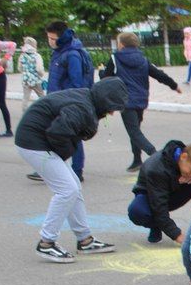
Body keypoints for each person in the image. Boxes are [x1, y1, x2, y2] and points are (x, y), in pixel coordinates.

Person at [13, 77, 127, 263]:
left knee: (74, 186)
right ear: (105, 100)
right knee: (67, 189)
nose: (112, 113)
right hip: (33, 142)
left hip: (40, 140)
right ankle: (46, 243)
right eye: (113, 107)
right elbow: (57, 133)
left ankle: (85, 240)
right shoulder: (82, 108)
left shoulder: (87, 99)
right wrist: (65, 153)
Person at [101, 32, 182, 172]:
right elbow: (158, 74)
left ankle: (157, 156)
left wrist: (101, 72)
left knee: (134, 132)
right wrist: (174, 85)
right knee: (136, 131)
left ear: (121, 44)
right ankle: (137, 160)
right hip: (141, 100)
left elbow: (106, 78)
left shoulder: (115, 58)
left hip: (125, 100)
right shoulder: (143, 59)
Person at [34, 21, 94, 182]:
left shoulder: (72, 54)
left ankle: (75, 171)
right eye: (48, 37)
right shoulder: (61, 52)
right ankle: (54, 169)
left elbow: (77, 83)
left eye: (52, 38)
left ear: (61, 38)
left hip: (67, 103)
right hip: (56, 100)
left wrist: (68, 102)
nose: (49, 41)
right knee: (57, 134)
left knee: (71, 137)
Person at [128, 140, 191, 244]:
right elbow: (159, 206)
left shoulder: (190, 163)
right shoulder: (156, 168)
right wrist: (178, 236)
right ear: (183, 157)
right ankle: (155, 225)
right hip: (150, 195)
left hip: (173, 192)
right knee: (137, 212)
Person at [19, 38, 47, 114]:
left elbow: (20, 68)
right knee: (42, 97)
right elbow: (39, 69)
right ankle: (45, 111)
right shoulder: (37, 56)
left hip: (26, 80)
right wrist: (41, 75)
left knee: (25, 98)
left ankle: (24, 112)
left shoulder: (22, 56)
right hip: (36, 80)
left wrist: (25, 73)